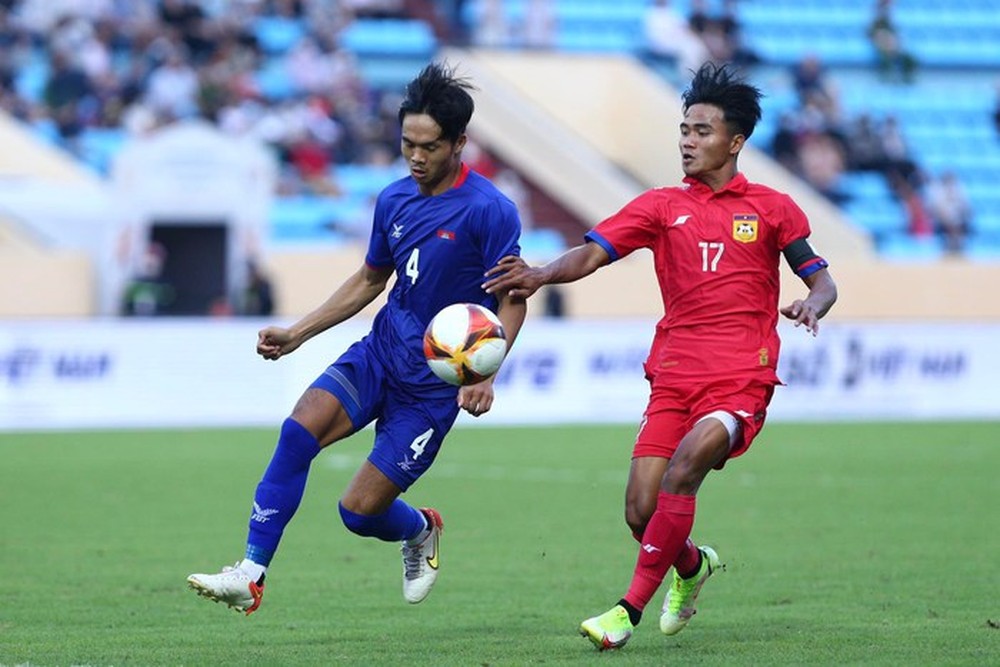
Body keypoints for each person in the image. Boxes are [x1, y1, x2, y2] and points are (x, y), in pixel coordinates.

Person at [483, 63, 837, 650]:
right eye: (683, 130)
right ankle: (694, 567)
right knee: (641, 513)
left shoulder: (773, 208)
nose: (687, 141)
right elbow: (592, 254)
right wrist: (543, 273)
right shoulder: (659, 205)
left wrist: (812, 304)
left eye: (701, 131)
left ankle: (625, 613)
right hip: (673, 377)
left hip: (741, 378)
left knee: (684, 470)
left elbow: (822, 279)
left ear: (735, 141)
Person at [187, 62, 527, 614]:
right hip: (381, 352)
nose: (416, 157)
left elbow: (513, 298)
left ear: (460, 143)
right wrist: (298, 332)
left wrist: (487, 372)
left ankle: (419, 529)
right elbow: (371, 279)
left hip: (434, 386)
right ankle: (251, 573)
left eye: (430, 147)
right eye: (407, 144)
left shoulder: (490, 211)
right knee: (297, 434)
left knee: (358, 512)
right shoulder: (393, 200)